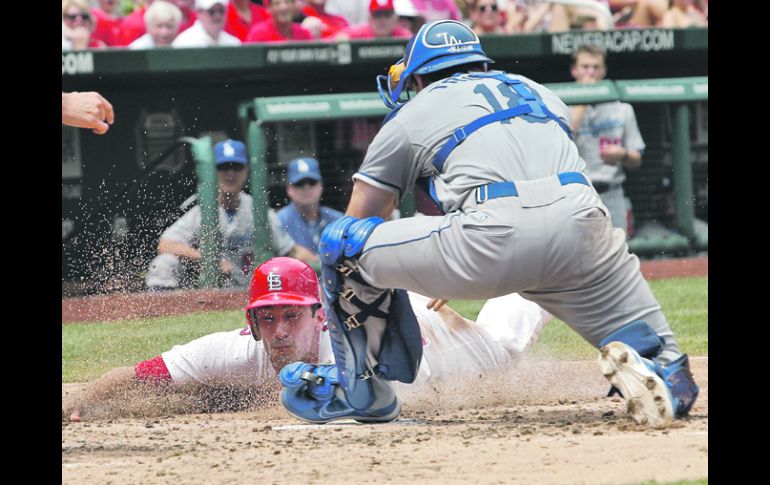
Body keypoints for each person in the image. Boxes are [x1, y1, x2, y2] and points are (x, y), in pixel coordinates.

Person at [280, 20, 699, 428]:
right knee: (671, 364)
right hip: (586, 231)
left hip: (489, 238)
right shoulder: (540, 92)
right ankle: (661, 372)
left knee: (342, 245)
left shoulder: (415, 110)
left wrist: (424, 267)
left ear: (420, 76)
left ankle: (363, 391)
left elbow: (360, 220)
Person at [68, 257, 552, 422]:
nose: (279, 331)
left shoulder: (353, 339)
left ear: (319, 317)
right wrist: (82, 403)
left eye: (291, 317)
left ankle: (548, 272)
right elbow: (139, 376)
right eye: (268, 318)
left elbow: (407, 395)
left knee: (506, 345)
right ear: (252, 323)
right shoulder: (236, 349)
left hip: (431, 337)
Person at [145, 139, 315, 291]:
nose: (230, 174)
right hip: (210, 295)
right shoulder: (203, 210)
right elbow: (165, 245)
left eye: (236, 167)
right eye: (224, 167)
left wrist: (325, 263)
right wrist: (207, 259)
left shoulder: (257, 209)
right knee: (164, 263)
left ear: (246, 171)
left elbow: (291, 250)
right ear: (213, 171)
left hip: (250, 291)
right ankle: (162, 318)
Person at [569, 44, 644, 235]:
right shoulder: (563, 104)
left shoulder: (622, 108)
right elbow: (565, 137)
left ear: (604, 70)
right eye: (585, 67)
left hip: (613, 192)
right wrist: (584, 98)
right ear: (574, 70)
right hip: (578, 194)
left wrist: (624, 155)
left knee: (619, 254)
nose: (591, 72)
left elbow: (637, 159)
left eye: (596, 67)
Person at [276, 157, 344, 256]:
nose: (306, 187)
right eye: (300, 183)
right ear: (289, 189)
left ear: (321, 186)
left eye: (312, 182)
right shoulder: (278, 221)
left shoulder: (338, 220)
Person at [173, 0, 241, 47]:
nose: (217, 15)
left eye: (221, 10)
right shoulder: (185, 42)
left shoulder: (233, 42)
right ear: (199, 13)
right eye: (211, 11)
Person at [334, 0, 413, 40]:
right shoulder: (359, 32)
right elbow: (337, 38)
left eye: (387, 15)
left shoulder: (404, 36)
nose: (382, 20)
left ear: (394, 18)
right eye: (377, 15)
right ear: (369, 18)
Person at [245, 0, 314, 43]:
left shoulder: (304, 34)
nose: (283, 7)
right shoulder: (258, 34)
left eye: (288, 2)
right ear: (269, 8)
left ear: (294, 6)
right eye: (277, 3)